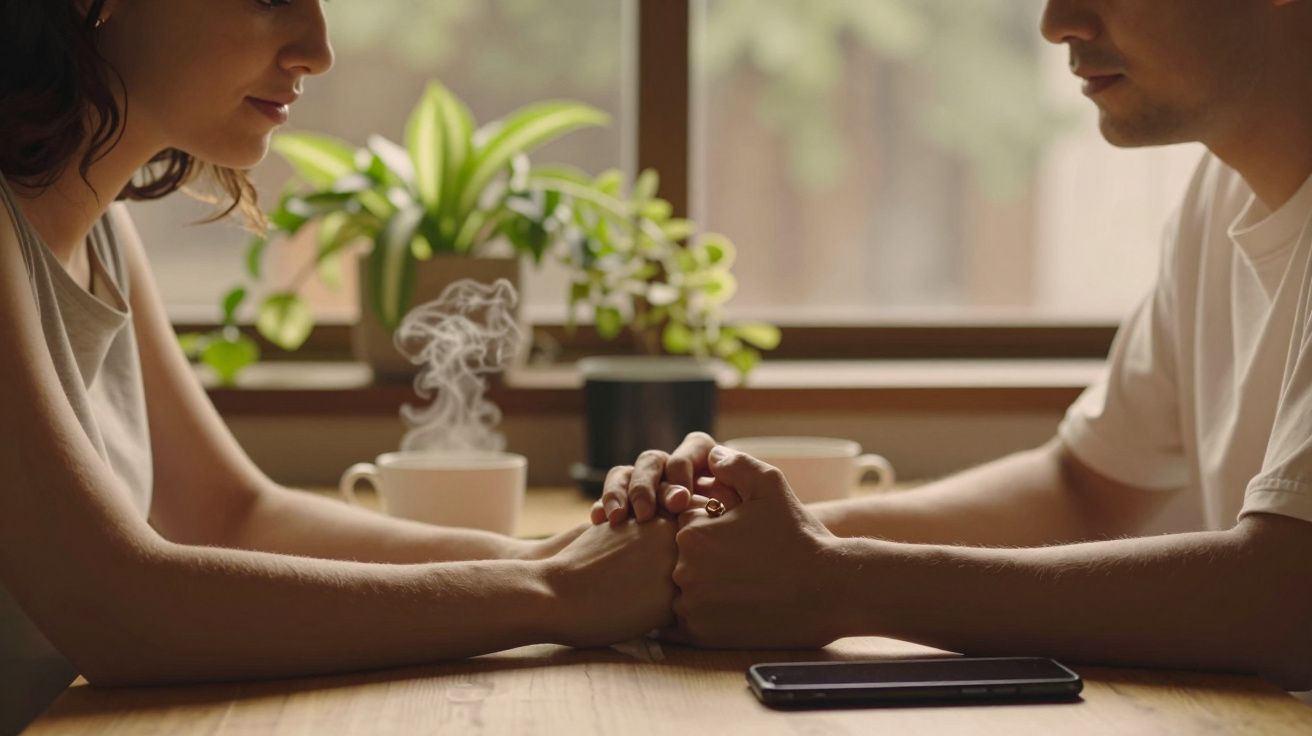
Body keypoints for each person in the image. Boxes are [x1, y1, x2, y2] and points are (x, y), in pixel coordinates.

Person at [598, 0, 1312, 694]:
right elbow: (1082, 489)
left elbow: (1288, 595)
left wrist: (840, 581)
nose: (1056, 22)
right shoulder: (1220, 196)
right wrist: (717, 540)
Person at [0, 1, 675, 732]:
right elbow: (116, 609)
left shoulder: (104, 234)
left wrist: (553, 555)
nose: (317, 50)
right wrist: (551, 591)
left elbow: (233, 517)